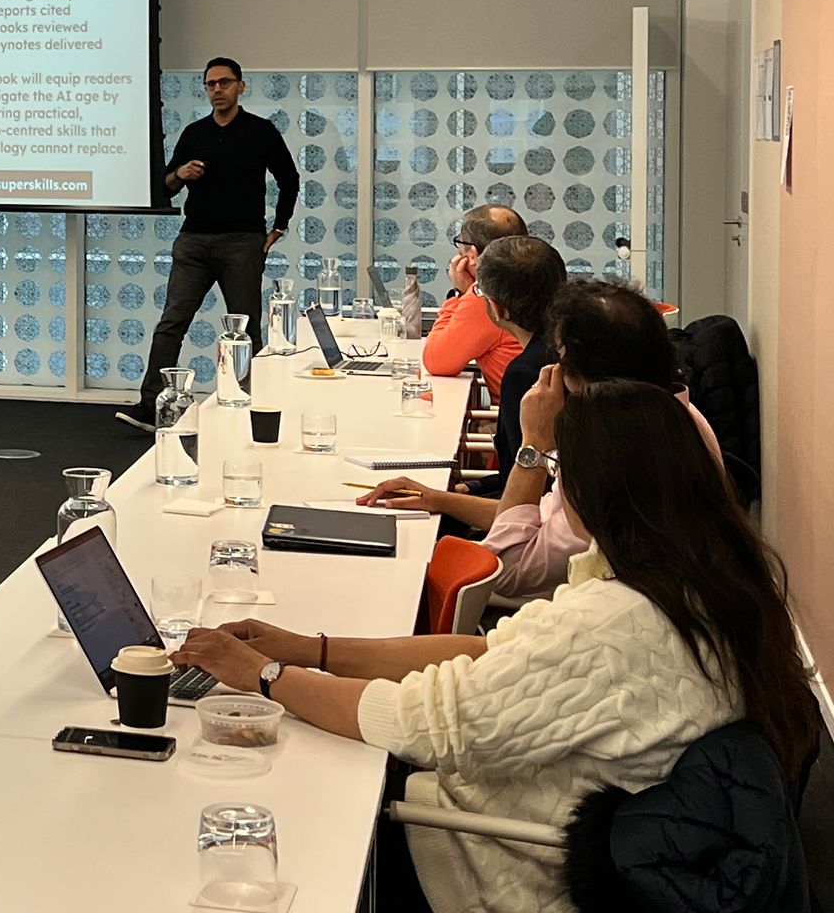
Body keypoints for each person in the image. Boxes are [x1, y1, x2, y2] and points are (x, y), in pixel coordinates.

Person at [175, 379, 818, 913]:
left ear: (603, 491)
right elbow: (491, 655)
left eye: (563, 473)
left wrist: (263, 677)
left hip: (518, 864)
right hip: (598, 829)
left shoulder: (617, 622)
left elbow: (418, 723)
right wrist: (313, 650)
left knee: (302, 810)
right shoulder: (706, 581)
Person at [364, 280, 725, 599]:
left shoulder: (612, 449)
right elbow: (543, 521)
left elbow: (508, 567)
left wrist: (533, 445)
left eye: (560, 356)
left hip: (565, 608)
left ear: (581, 373)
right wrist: (438, 500)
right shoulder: (679, 418)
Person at [119, 57, 299, 434]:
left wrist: (279, 226)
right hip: (194, 240)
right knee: (171, 323)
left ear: (240, 86)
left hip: (242, 241)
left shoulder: (260, 131)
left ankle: (247, 406)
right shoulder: (195, 133)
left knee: (244, 330)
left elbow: (289, 178)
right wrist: (179, 174)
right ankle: (151, 404)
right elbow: (166, 184)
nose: (217, 90)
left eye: (224, 83)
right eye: (211, 84)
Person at [420, 204, 526, 393]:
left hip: (515, 418)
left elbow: (436, 362)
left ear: (472, 255)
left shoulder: (488, 296)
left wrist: (459, 295)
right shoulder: (536, 280)